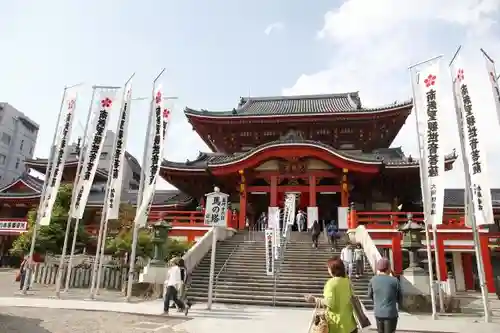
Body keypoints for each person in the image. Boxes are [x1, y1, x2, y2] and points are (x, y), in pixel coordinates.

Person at [304, 257, 357, 333]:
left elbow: (329, 302)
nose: (327, 270)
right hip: (350, 324)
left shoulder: (331, 283)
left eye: (328, 268)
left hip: (337, 325)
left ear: (333, 270)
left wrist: (314, 299)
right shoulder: (347, 281)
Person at [368, 258, 402, 333]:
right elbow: (400, 297)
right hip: (391, 313)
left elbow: (369, 295)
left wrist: (377, 301)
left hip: (378, 312)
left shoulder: (373, 280)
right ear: (388, 268)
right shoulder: (394, 280)